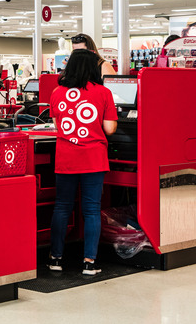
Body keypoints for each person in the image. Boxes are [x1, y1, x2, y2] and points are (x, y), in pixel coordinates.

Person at [48, 49, 118, 276]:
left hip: (66, 157)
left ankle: (55, 258)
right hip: (93, 158)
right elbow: (109, 128)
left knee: (62, 207)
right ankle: (89, 262)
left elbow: (57, 126)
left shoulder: (57, 92)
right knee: (91, 210)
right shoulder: (104, 93)